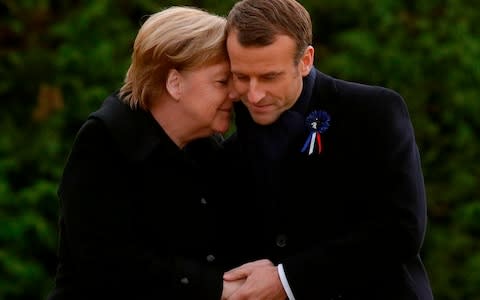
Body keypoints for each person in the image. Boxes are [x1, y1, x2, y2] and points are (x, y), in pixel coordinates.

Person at [219, 0, 434, 299]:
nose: (254, 95)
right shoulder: (227, 151)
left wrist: (286, 280)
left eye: (270, 77)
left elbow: (402, 230)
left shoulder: (374, 112)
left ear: (305, 60)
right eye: (241, 77)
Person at [47, 6, 242, 300]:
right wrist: (217, 287)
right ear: (175, 83)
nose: (235, 93)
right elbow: (107, 261)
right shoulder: (105, 141)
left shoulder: (205, 146)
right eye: (221, 81)